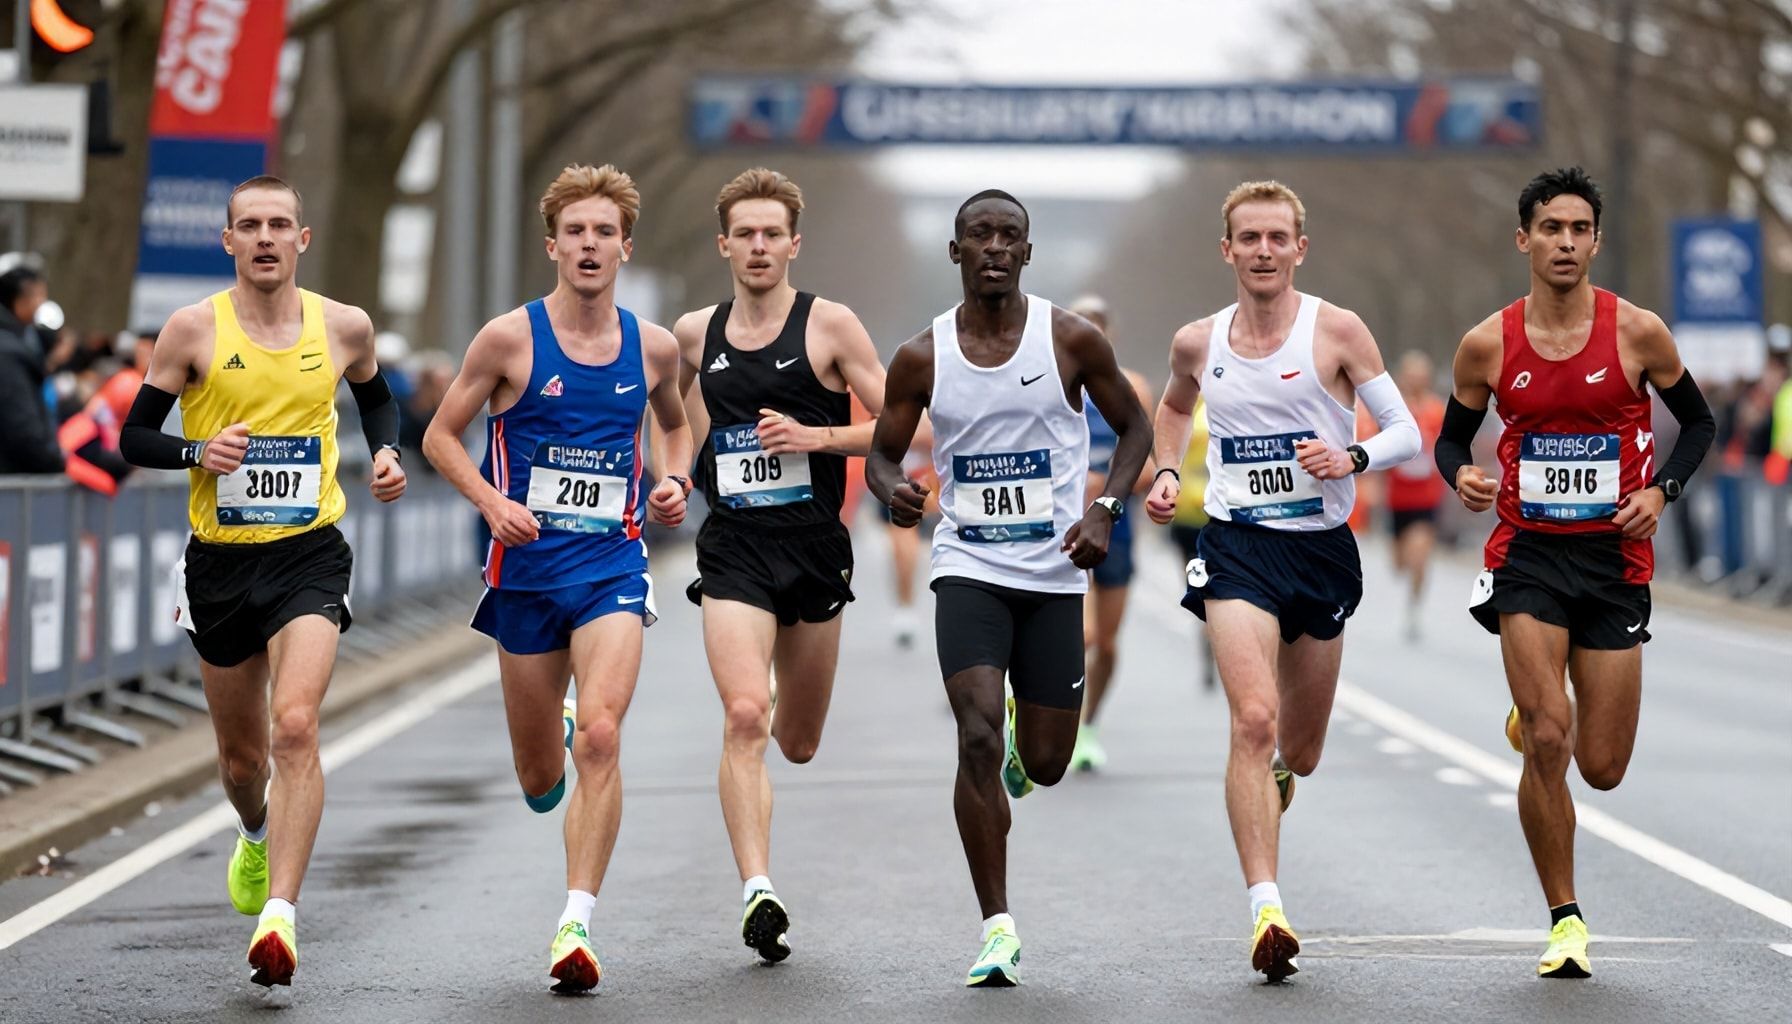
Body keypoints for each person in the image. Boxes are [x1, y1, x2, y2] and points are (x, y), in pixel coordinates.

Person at [117, 175, 408, 988]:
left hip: (310, 554)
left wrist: (385, 453)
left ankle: (280, 916)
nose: (267, 238)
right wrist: (194, 454)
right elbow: (134, 435)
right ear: (230, 241)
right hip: (219, 563)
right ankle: (252, 833)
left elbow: (380, 405)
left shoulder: (344, 326)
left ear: (302, 240)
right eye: (250, 226)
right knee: (244, 761)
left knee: (296, 727)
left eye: (281, 223)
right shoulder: (192, 330)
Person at [1435, 167, 1716, 980]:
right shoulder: (1488, 342)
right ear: (1524, 239)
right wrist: (1464, 476)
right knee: (1549, 740)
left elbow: (1698, 423)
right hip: (1526, 553)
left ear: (1596, 239)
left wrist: (1662, 491)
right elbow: (1455, 439)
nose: (1565, 242)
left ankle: (1536, 717)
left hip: (1615, 560)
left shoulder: (1638, 333)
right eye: (1550, 228)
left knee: (1602, 766)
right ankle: (1564, 919)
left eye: (1579, 229)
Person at [868, 189, 1150, 987]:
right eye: (979, 235)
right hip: (969, 566)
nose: (994, 246)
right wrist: (893, 489)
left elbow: (1137, 428)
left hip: (1056, 572)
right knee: (977, 735)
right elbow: (883, 454)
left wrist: (1103, 508)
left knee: (1049, 762)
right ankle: (997, 927)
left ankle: (1035, 727)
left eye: (1009, 236)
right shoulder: (922, 356)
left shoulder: (1069, 339)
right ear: (955, 253)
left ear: (1028, 253)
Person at [422, 164, 691, 992]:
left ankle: (575, 922)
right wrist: (492, 501)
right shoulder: (508, 340)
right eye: (575, 231)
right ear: (553, 245)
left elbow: (677, 426)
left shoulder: (653, 347)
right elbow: (440, 437)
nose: (589, 245)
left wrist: (674, 479)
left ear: (623, 247)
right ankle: (557, 734)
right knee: (542, 778)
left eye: (603, 232)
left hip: (612, 565)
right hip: (526, 577)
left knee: (601, 737)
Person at [1144, 180, 1419, 982]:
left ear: (1300, 247)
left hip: (1321, 550)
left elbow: (1403, 429)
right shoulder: (1198, 341)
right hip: (1237, 547)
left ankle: (1277, 782)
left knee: (1299, 747)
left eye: (1277, 238)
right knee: (1253, 719)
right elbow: (1171, 408)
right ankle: (1267, 905)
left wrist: (1353, 458)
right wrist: (1166, 472)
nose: (1263, 251)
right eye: (1248, 239)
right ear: (1226, 250)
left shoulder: (1336, 330)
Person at [668, 168, 886, 964]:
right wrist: (672, 471)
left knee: (796, 740)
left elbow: (900, 424)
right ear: (723, 243)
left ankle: (762, 858)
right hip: (733, 548)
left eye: (772, 234)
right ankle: (758, 887)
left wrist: (815, 438)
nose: (758, 247)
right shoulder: (695, 332)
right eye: (744, 234)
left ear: (794, 243)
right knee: (743, 716)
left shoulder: (831, 327)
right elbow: (664, 412)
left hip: (815, 550)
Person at [1063, 295, 1156, 772]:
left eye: (1097, 326)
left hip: (1115, 529)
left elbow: (1149, 465)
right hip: (1062, 528)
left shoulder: (1131, 386)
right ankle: (1048, 713)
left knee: (1107, 643)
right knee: (1080, 632)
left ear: (1109, 335)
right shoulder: (1049, 383)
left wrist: (1106, 487)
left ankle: (1089, 726)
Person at [1372, 351, 1447, 640]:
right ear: (1402, 377)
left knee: (1419, 557)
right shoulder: (1391, 410)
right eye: (1411, 376)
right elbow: (1378, 446)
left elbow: (1446, 447)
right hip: (1396, 499)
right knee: (1399, 564)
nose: (1416, 381)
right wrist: (1376, 485)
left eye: (1421, 376)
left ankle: (1414, 609)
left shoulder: (1436, 411)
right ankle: (1408, 578)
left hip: (1425, 498)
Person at [0, 265, 64, 474]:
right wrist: (54, 462)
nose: (42, 304)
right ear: (20, 301)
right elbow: (21, 427)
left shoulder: (18, 344)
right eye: (39, 296)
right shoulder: (9, 354)